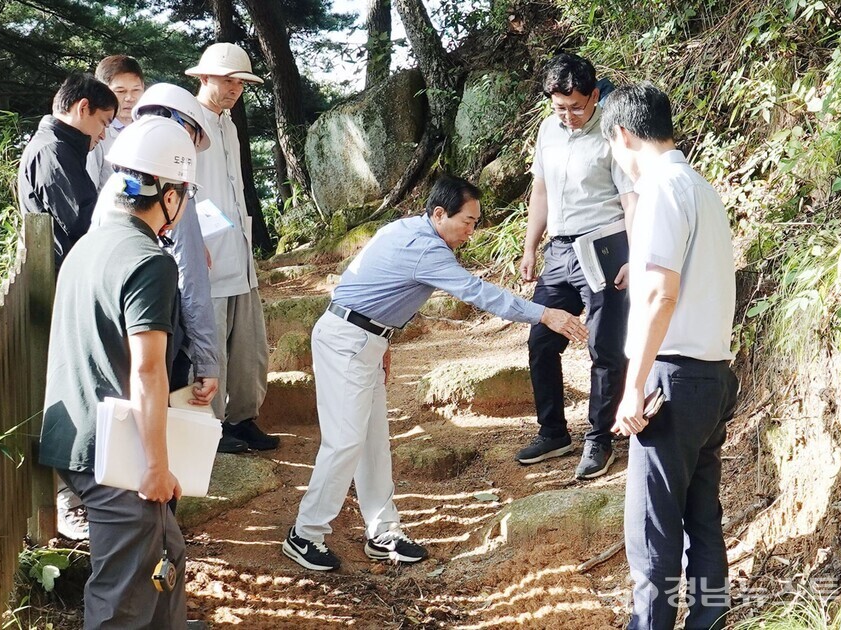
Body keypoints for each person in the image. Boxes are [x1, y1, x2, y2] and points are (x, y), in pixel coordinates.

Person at [281, 175, 589, 571]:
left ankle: (383, 532)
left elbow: (376, 284)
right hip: (348, 340)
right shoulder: (428, 250)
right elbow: (481, 294)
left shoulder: (407, 227)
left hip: (362, 337)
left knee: (372, 441)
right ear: (440, 214)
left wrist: (382, 340)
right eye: (468, 221)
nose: (471, 231)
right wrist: (545, 313)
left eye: (476, 223)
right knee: (344, 442)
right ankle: (304, 534)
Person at [38, 116, 198, 628]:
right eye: (186, 191)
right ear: (169, 195)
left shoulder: (89, 246)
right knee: (122, 593)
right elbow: (149, 371)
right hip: (113, 450)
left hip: (75, 435)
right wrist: (155, 465)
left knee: (166, 550)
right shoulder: (150, 261)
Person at [601, 83, 738, 630]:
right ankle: (709, 619)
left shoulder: (658, 188)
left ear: (623, 134)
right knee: (702, 518)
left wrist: (634, 386)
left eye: (612, 147)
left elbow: (661, 294)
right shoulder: (701, 187)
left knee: (653, 529)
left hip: (671, 379)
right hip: (713, 375)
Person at [515, 53, 637, 480]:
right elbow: (541, 192)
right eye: (560, 107)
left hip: (605, 246)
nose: (568, 116)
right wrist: (531, 246)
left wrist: (635, 255)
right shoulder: (549, 130)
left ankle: (599, 438)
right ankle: (553, 432)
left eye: (577, 107)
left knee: (604, 347)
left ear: (595, 95)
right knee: (541, 340)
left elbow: (629, 198)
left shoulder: (613, 133)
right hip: (559, 251)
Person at [92, 82, 224, 437]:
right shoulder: (172, 190)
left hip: (110, 336)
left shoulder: (115, 183)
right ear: (180, 126)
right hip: (159, 335)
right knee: (155, 447)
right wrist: (207, 361)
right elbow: (191, 277)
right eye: (194, 140)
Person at [185, 43, 277, 452]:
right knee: (211, 342)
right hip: (204, 252)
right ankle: (210, 425)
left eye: (240, 82)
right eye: (227, 80)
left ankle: (243, 417)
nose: (234, 89)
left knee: (247, 346)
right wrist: (188, 239)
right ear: (204, 78)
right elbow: (180, 187)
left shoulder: (228, 125)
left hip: (237, 249)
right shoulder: (186, 120)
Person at [18, 72, 117, 268]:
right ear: (83, 107)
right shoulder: (53, 150)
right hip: (59, 279)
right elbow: (84, 221)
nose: (103, 135)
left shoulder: (56, 147)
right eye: (103, 123)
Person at [86, 55, 146, 190]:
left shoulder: (149, 129)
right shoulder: (95, 134)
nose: (130, 98)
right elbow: (88, 190)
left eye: (136, 90)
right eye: (120, 91)